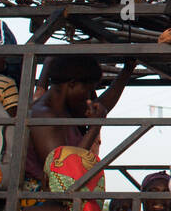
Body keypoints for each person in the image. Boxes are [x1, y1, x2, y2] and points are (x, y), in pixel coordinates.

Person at [25, 55, 133, 194]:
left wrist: (127, 70)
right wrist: (94, 127)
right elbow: (63, 172)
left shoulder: (63, 111)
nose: (88, 97)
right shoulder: (44, 116)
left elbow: (101, 106)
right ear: (72, 84)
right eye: (87, 90)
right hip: (42, 203)